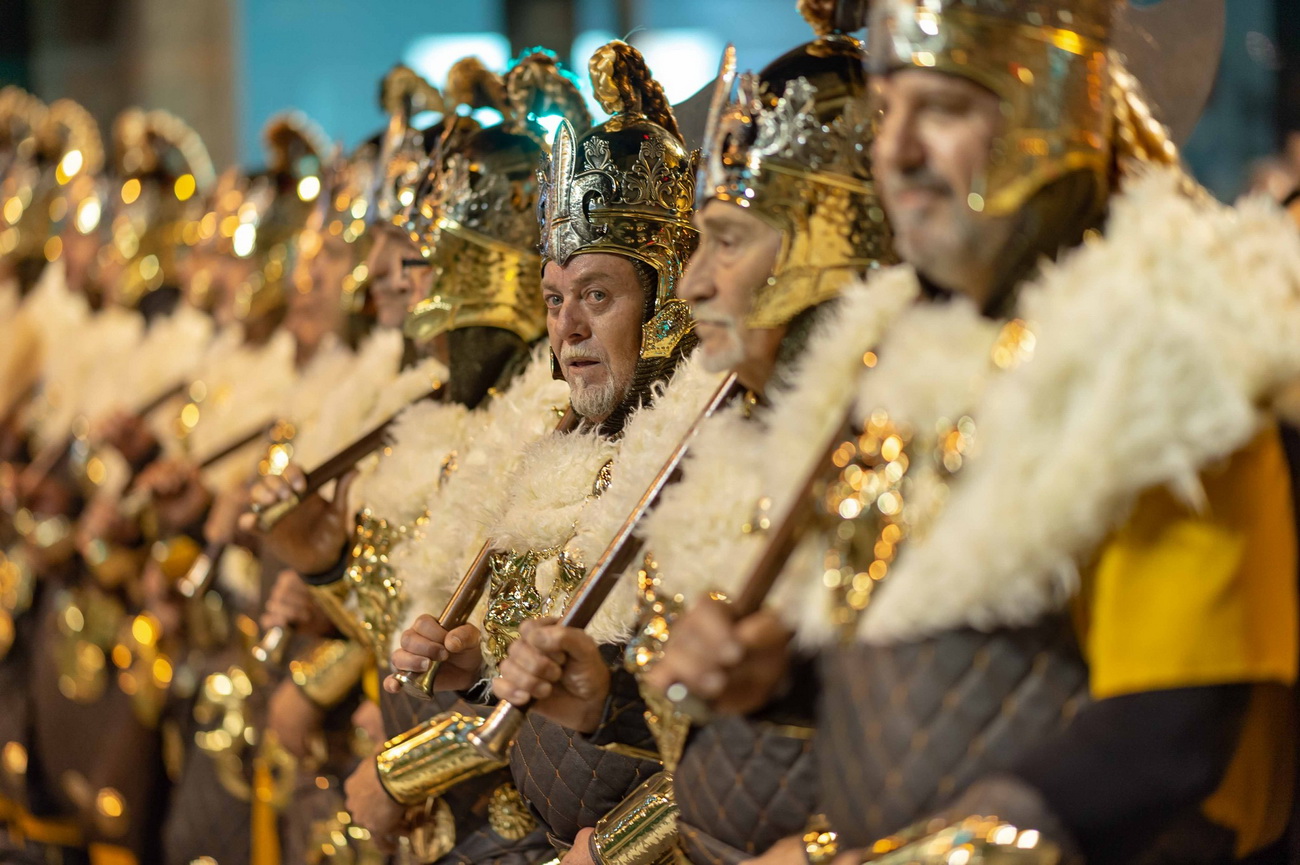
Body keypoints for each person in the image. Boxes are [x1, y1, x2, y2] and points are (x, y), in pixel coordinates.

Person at [646, 0, 1300, 862]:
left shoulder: (1167, 339)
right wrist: (777, 672)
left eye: (946, 109)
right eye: (888, 111)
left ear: (1050, 109)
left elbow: (1168, 736)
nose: (896, 150)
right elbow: (936, 677)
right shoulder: (898, 357)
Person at [373, 39, 705, 864]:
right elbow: (534, 694)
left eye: (597, 295)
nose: (569, 328)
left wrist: (618, 848)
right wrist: (472, 664)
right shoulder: (550, 443)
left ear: (662, 302)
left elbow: (734, 736)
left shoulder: (712, 453)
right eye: (555, 300)